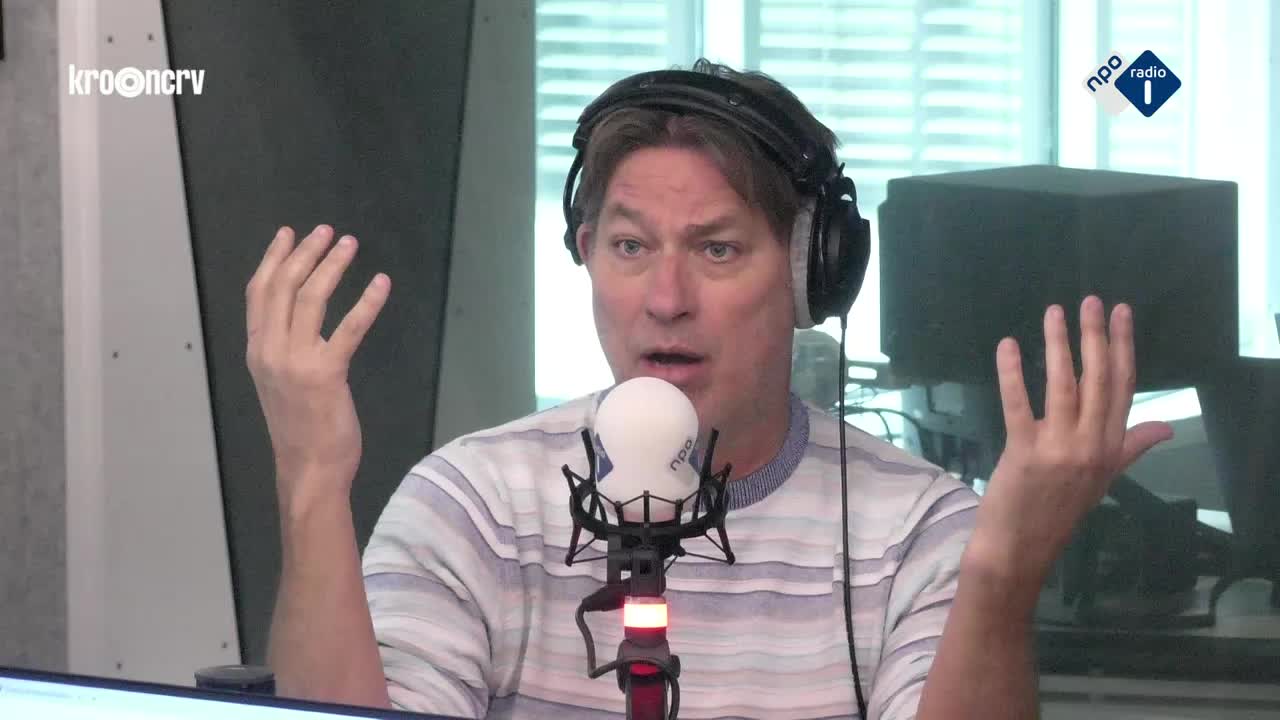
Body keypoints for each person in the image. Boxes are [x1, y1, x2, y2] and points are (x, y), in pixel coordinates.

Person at [247, 59, 1174, 719]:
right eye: (630, 246)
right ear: (586, 256)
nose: (665, 299)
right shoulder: (472, 503)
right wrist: (312, 482)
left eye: (718, 249)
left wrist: (1001, 578)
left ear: (809, 277)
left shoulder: (916, 532)